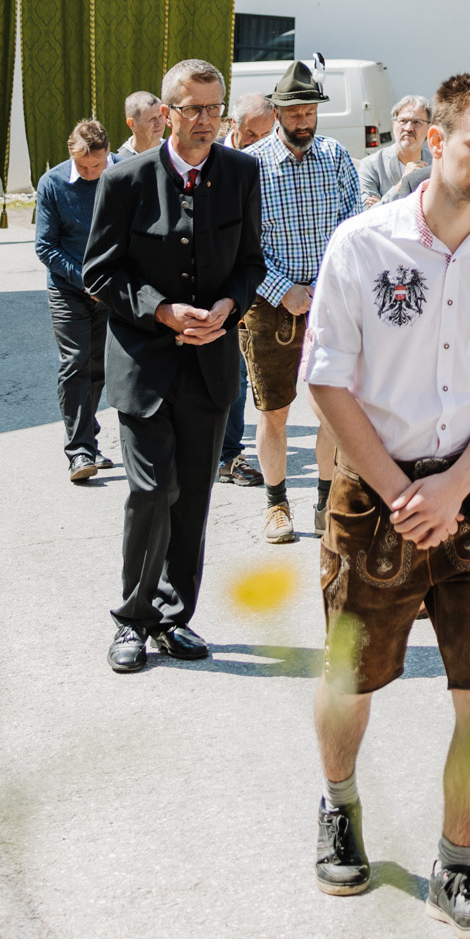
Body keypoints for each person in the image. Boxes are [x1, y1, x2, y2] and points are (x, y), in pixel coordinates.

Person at [299, 69, 470, 939]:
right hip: (374, 496)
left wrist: (455, 486)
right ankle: (338, 805)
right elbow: (327, 378)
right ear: (434, 142)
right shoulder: (362, 244)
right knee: (350, 678)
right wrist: (401, 490)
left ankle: (456, 866)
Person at [82, 57, 265, 674]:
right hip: (144, 367)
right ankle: (132, 619)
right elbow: (99, 273)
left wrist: (230, 306)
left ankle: (173, 616)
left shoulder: (241, 172)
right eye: (193, 108)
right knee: (152, 491)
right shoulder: (125, 179)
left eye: (215, 108)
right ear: (166, 113)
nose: (206, 120)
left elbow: (251, 262)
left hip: (211, 366)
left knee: (192, 499)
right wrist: (162, 311)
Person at [245, 60, 365, 544]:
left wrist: (329, 290)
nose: (303, 121)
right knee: (274, 411)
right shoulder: (251, 165)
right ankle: (276, 505)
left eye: (310, 111)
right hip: (269, 304)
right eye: (295, 113)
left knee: (333, 408)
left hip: (330, 302)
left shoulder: (336, 157)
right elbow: (243, 246)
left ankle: (324, 500)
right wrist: (284, 290)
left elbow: (354, 229)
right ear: (276, 113)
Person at [34, 120, 115, 485]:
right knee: (75, 363)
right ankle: (79, 450)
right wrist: (85, 281)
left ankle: (89, 439)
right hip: (68, 287)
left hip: (110, 288)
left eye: (97, 165)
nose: (90, 172)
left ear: (107, 153)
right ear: (71, 154)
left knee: (99, 368)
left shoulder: (121, 176)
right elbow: (45, 245)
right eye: (83, 166)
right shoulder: (52, 183)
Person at [219, 90, 284, 488]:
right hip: (215, 284)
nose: (258, 143)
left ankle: (229, 455)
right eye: (251, 134)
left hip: (256, 283)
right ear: (234, 125)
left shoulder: (270, 161)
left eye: (265, 134)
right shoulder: (214, 158)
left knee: (242, 375)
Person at [361, 96, 437, 207]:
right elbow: (368, 212)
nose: (408, 128)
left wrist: (382, 203)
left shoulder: (437, 164)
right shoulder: (371, 165)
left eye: (417, 122)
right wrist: (403, 183)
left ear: (429, 128)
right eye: (403, 121)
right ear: (393, 125)